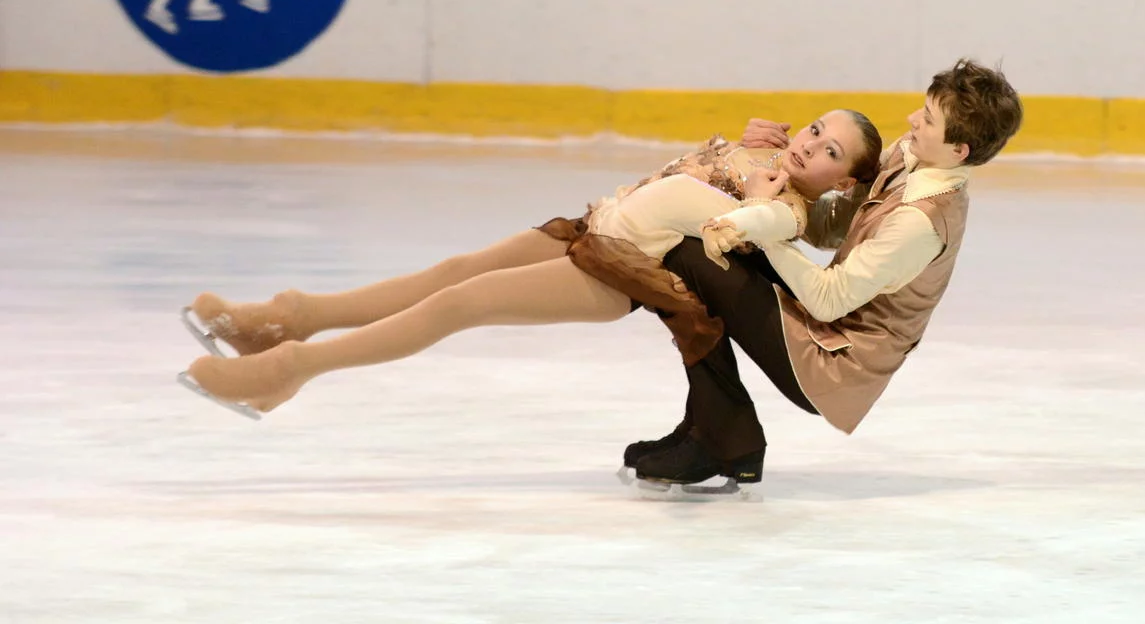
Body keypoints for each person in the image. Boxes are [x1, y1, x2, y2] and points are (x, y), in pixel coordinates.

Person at [180, 109, 884, 415]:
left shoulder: (785, 211)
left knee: (459, 304)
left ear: (845, 182)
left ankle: (287, 371)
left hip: (621, 273)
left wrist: (759, 196)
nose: (809, 145)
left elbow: (739, 236)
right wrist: (739, 147)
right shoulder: (766, 157)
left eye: (829, 151)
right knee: (454, 272)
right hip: (594, 226)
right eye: (814, 128)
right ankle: (287, 320)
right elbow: (677, 180)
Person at [626, 58, 1025, 487]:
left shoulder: (921, 222)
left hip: (835, 364)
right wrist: (778, 163)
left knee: (691, 256)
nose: (913, 119)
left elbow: (828, 300)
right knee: (697, 250)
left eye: (928, 119)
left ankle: (722, 435)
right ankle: (711, 427)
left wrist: (763, 217)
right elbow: (832, 226)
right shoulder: (911, 157)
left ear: (959, 150)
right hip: (824, 325)